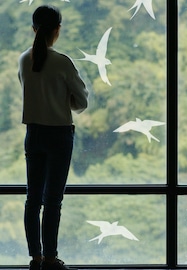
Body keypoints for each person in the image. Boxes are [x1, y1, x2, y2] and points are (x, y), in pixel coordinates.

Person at [18, 5, 89, 270]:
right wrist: (64, 100)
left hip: (33, 133)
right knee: (53, 200)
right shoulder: (62, 62)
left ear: (33, 29)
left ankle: (35, 258)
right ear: (57, 30)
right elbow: (81, 101)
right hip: (59, 134)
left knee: (32, 198)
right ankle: (50, 258)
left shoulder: (24, 59)